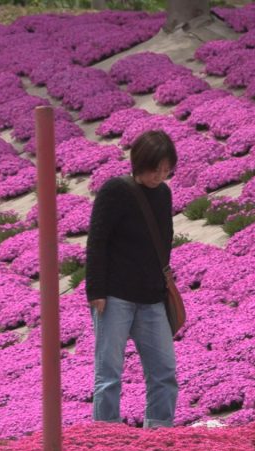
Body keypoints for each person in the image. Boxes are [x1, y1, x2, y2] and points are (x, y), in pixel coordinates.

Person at [85, 130, 179, 428]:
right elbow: (97, 240)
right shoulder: (115, 191)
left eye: (167, 169)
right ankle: (107, 436)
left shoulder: (164, 194)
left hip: (151, 297)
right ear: (140, 162)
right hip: (114, 296)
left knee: (164, 371)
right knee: (109, 374)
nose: (160, 176)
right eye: (156, 168)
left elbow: (164, 239)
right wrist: (96, 289)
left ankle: (159, 433)